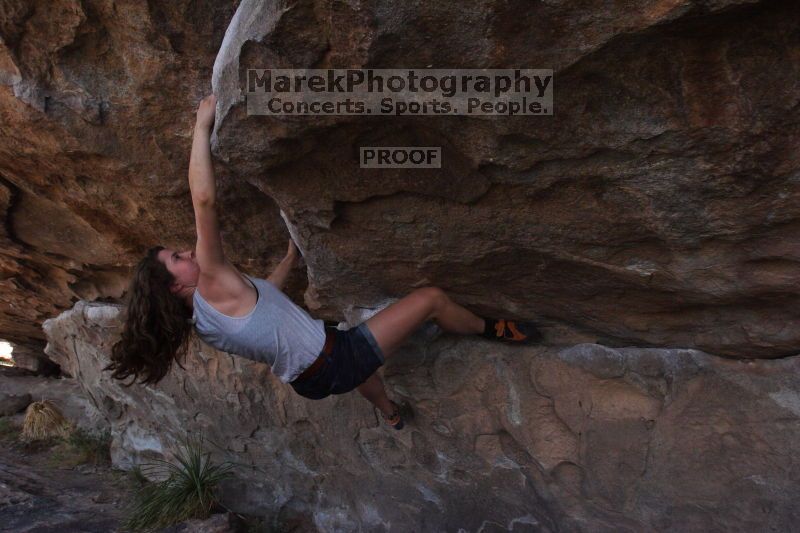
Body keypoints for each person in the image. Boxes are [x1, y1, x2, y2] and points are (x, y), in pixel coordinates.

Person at [105, 94, 542, 430]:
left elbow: (265, 300)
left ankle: (390, 414)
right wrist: (201, 127)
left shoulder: (204, 322)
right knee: (430, 298)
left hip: (309, 380)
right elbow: (204, 200)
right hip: (333, 359)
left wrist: (291, 257)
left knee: (353, 364)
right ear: (175, 287)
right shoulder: (212, 283)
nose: (186, 253)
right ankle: (491, 329)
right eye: (176, 259)